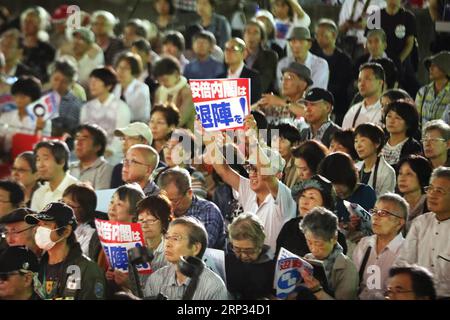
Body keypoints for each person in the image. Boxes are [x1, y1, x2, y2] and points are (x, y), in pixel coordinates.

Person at [204, 115, 296, 251]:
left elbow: (266, 175)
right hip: (247, 261)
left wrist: (252, 138)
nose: (252, 173)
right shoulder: (249, 190)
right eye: (250, 168)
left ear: (278, 175)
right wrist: (207, 138)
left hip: (272, 266)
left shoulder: (285, 196)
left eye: (257, 169)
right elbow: (224, 171)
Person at [25, 202, 106, 300]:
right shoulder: (37, 269)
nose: (38, 230)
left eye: (45, 224)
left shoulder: (87, 270)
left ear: (66, 231)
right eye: (38, 225)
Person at [394, 166, 450, 299]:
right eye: (430, 189)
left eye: (439, 191)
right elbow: (404, 263)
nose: (431, 195)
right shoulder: (420, 223)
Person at [142, 216, 229, 299]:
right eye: (167, 237)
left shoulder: (214, 286)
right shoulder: (155, 279)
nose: (167, 244)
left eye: (175, 238)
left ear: (196, 248)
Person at [276, 175, 347, 257]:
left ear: (325, 206)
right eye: (303, 196)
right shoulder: (289, 227)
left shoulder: (334, 235)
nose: (305, 202)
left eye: (312, 197)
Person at [353, 193, 407, 300]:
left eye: (383, 213)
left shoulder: (406, 252)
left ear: (399, 222)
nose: (376, 217)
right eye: (374, 211)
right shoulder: (364, 244)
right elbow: (352, 283)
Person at [299, 207, 359, 300]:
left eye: (319, 243)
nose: (313, 249)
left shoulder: (346, 268)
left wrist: (317, 291)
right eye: (309, 242)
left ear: (334, 238)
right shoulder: (308, 259)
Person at [158, 167, 225, 249]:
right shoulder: (159, 208)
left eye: (174, 201)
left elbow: (200, 248)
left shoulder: (208, 210)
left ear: (189, 193)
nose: (169, 205)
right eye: (164, 200)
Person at [80, 67, 131, 165]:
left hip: (113, 156)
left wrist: (109, 150)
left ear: (108, 85)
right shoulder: (86, 108)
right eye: (91, 81)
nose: (92, 84)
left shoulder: (121, 107)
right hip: (90, 154)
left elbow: (121, 135)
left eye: (97, 81)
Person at [319, 151, 377, 228]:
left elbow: (373, 224)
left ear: (349, 176)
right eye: (332, 184)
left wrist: (359, 224)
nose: (336, 189)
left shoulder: (365, 193)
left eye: (339, 183)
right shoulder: (327, 197)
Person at [226, 212, 275, 300]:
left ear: (260, 245)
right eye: (237, 249)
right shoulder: (226, 260)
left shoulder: (273, 266)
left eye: (249, 250)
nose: (243, 255)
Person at [313, 18, 353, 125]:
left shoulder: (344, 59)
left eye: (323, 35)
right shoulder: (314, 57)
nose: (319, 38)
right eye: (317, 35)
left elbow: (344, 85)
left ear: (334, 35)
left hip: (337, 105)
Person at [378, 0, 420, 97]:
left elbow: (410, 43)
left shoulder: (408, 17)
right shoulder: (375, 17)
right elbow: (370, 40)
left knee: (415, 88)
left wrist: (398, 61)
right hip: (381, 60)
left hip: (402, 60)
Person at [255, 61, 310, 130]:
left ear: (303, 85)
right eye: (283, 78)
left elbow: (308, 114)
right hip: (273, 138)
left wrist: (281, 102)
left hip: (297, 139)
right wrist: (257, 106)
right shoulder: (275, 105)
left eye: (289, 78)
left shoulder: (309, 104)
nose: (284, 82)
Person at [31, 140, 78, 212]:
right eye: (38, 159)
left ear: (62, 161)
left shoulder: (77, 190)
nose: (40, 165)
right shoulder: (39, 193)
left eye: (45, 159)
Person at [158, 128, 207, 198]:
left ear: (188, 154)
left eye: (175, 148)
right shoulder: (158, 172)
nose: (169, 151)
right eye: (167, 146)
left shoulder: (194, 177)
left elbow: (196, 204)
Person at [277, 26, 329, 90]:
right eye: (293, 41)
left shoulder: (320, 64)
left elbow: (314, 93)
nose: (297, 46)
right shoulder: (283, 64)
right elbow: (282, 89)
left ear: (309, 45)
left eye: (301, 42)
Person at [153, 57, 196, 131]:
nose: (162, 84)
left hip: (187, 137)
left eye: (164, 80)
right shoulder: (159, 91)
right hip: (163, 133)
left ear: (176, 74)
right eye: (159, 81)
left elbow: (180, 120)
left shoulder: (188, 93)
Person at [0, 76, 41, 153]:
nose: (18, 99)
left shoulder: (40, 120)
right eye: (16, 95)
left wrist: (38, 129)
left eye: (23, 96)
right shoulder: (6, 116)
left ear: (33, 97)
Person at [354, 123, 396, 196]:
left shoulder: (387, 172)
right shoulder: (355, 168)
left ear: (377, 143)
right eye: (356, 141)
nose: (358, 145)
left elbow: (385, 203)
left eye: (363, 140)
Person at [62, 183, 101, 261]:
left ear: (85, 208)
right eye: (62, 203)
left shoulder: (91, 234)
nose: (63, 208)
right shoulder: (60, 225)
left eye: (70, 206)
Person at [112, 122, 156, 188]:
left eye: (129, 138)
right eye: (123, 138)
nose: (124, 143)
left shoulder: (160, 170)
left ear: (144, 141)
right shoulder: (118, 169)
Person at [69, 124, 113, 190]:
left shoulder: (105, 169)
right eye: (77, 138)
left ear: (97, 146)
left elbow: (101, 198)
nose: (78, 142)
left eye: (84, 139)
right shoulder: (70, 167)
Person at [47, 58, 84, 137]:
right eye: (56, 79)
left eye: (64, 82)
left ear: (71, 83)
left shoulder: (75, 105)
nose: (58, 84)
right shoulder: (42, 96)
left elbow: (70, 131)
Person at [219, 37, 262, 104]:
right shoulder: (219, 78)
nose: (228, 52)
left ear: (244, 54)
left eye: (233, 49)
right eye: (226, 49)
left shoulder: (253, 77)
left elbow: (256, 104)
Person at [342, 62, 385, 129]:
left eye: (367, 79)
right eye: (359, 80)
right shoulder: (353, 111)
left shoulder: (387, 112)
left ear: (380, 82)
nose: (362, 84)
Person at [381, 100, 422, 170]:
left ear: (408, 123)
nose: (391, 121)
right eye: (389, 116)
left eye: (397, 118)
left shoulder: (413, 147)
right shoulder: (379, 141)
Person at [136, 194, 172, 272]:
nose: (144, 225)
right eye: (141, 220)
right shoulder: (134, 245)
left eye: (150, 220)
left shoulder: (170, 249)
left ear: (164, 222)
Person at [397, 155, 433, 232]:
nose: (402, 178)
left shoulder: (431, 205)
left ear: (421, 176)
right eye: (400, 173)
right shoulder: (396, 204)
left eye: (409, 174)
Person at [113, 52, 151, 122]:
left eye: (126, 68)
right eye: (119, 67)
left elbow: (141, 117)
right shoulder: (117, 88)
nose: (121, 71)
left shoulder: (142, 89)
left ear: (134, 71)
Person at [415, 51, 450, 128]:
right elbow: (416, 119)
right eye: (430, 65)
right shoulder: (423, 92)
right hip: (424, 139)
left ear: (445, 70)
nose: (431, 68)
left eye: (435, 65)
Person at [20, 7, 55, 82]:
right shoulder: (15, 44)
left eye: (31, 22)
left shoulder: (48, 50)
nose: (26, 24)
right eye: (25, 21)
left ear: (40, 24)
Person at [243, 19, 279, 94]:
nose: (251, 36)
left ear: (261, 37)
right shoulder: (237, 56)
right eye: (248, 32)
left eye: (255, 32)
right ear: (243, 36)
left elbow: (263, 84)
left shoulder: (270, 56)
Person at [270, 123, 302, 188]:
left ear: (295, 144)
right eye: (274, 140)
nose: (277, 145)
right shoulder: (269, 163)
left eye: (282, 141)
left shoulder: (299, 166)